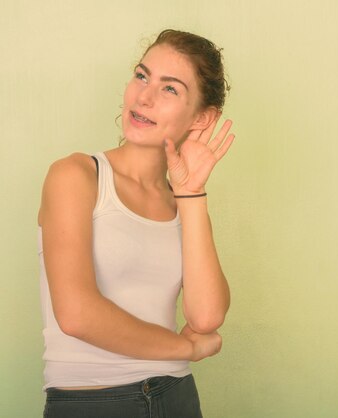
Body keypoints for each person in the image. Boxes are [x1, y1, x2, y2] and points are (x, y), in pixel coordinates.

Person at [37, 29, 234, 418]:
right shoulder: (76, 176)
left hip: (177, 397)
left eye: (170, 89)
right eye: (142, 76)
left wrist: (192, 192)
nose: (143, 97)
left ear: (203, 117)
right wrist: (188, 349)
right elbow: (76, 315)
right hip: (91, 401)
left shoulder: (182, 199)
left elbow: (207, 316)